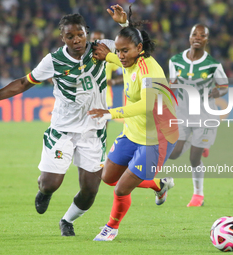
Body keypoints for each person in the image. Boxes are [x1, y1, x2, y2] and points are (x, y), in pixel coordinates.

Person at [0, 13, 118, 237]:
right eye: (70, 36)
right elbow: (24, 83)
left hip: (94, 130)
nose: (76, 39)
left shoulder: (103, 48)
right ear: (62, 38)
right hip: (62, 130)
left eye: (80, 34)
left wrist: (124, 24)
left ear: (86, 32)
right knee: (50, 184)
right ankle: (44, 190)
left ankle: (67, 220)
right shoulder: (53, 60)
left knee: (89, 191)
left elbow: (136, 44)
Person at [88, 4, 179, 241]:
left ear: (139, 49)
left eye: (124, 51)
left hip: (157, 138)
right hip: (133, 132)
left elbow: (147, 105)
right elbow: (122, 56)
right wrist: (110, 50)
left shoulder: (150, 70)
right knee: (108, 177)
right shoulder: (129, 59)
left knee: (121, 188)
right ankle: (158, 184)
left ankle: (111, 227)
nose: (120, 56)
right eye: (117, 51)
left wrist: (110, 113)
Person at [168, 24, 229, 207]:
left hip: (204, 116)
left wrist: (216, 93)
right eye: (194, 34)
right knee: (173, 154)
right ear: (189, 37)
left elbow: (224, 86)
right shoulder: (175, 61)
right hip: (183, 114)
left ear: (207, 40)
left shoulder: (213, 64)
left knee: (194, 158)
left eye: (202, 35)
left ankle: (198, 195)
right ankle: (202, 145)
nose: (197, 37)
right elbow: (173, 84)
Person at [90, 30, 123, 110]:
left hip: (105, 100)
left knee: (104, 122)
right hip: (87, 100)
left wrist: (114, 81)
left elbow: (124, 73)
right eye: (94, 39)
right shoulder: (81, 57)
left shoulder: (110, 58)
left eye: (100, 40)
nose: (97, 42)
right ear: (89, 40)